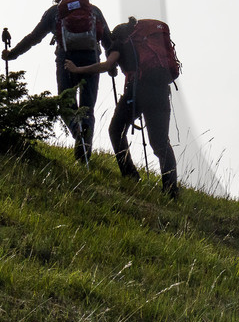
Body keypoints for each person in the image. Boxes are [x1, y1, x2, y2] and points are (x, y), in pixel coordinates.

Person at [65, 18, 179, 198]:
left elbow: (107, 65)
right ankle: (171, 190)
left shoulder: (120, 43)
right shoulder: (146, 41)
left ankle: (130, 175)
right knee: (160, 143)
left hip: (138, 91)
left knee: (116, 130)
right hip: (161, 91)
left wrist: (77, 69)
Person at [3, 0, 113, 164]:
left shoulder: (55, 11)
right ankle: (84, 152)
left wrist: (13, 54)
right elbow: (108, 41)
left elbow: (34, 37)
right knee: (87, 107)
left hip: (66, 60)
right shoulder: (94, 11)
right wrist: (112, 65)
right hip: (92, 60)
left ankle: (77, 132)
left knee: (65, 103)